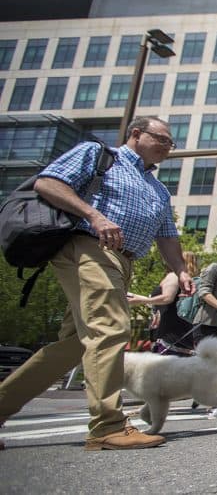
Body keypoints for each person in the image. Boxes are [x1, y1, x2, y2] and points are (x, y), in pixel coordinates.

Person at [0, 117, 192, 451]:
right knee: (110, 328)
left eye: (170, 144)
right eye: (162, 139)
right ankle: (107, 425)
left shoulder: (159, 189)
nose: (167, 148)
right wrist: (94, 215)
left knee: (75, 346)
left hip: (124, 261)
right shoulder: (100, 156)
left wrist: (181, 269)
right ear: (136, 134)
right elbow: (49, 184)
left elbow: (167, 236)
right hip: (90, 248)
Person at [127, 251, 200, 356]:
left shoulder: (174, 276)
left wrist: (141, 300)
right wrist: (139, 298)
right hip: (178, 329)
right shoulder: (186, 280)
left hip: (169, 332)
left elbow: (167, 298)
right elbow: (163, 302)